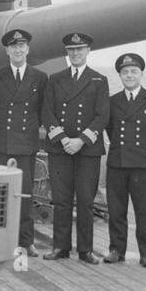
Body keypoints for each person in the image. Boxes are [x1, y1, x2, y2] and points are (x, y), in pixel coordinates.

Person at [41, 32, 110, 263]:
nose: (75, 53)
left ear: (88, 51)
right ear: (67, 53)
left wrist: (81, 140)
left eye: (80, 49)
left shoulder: (99, 80)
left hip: (87, 150)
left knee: (85, 200)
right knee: (60, 199)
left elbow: (102, 115)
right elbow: (47, 112)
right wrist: (62, 138)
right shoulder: (55, 79)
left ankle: (85, 249)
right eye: (71, 50)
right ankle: (60, 247)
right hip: (60, 149)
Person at [0, 28, 47, 256]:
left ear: (27, 49)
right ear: (6, 51)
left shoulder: (40, 77)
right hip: (0, 143)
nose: (18, 50)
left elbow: (43, 110)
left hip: (25, 145)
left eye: (21, 46)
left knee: (25, 193)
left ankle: (25, 240)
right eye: (13, 47)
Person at [104, 52, 146, 269]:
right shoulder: (112, 101)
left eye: (133, 71)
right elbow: (110, 129)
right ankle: (116, 250)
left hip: (142, 164)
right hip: (118, 163)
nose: (129, 75)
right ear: (120, 76)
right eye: (125, 72)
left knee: (144, 211)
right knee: (116, 210)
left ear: (141, 73)